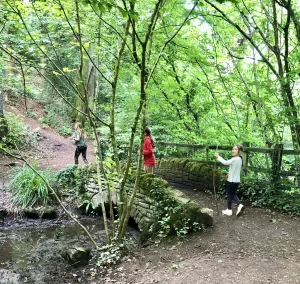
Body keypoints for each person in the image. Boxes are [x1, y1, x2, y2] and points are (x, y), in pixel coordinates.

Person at [214, 144, 244, 217]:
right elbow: (235, 169)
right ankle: (239, 205)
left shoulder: (234, 159)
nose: (233, 150)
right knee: (233, 194)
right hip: (236, 180)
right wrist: (229, 173)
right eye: (233, 149)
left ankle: (229, 210)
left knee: (229, 195)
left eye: (235, 149)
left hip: (231, 181)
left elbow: (225, 163)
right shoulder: (240, 159)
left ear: (239, 151)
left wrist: (218, 157)